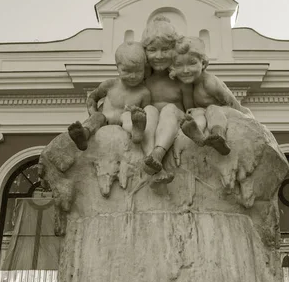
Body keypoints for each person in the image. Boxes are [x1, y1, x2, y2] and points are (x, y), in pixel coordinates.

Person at [169, 36, 253, 155]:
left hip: (230, 114)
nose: (185, 70)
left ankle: (219, 136)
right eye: (179, 65)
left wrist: (246, 120)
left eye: (192, 63)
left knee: (212, 109)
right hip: (207, 116)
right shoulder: (187, 86)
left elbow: (232, 104)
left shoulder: (210, 83)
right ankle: (197, 134)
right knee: (196, 112)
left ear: (203, 64)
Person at [68, 41, 154, 151]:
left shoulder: (144, 93)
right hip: (105, 122)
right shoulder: (110, 85)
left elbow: (145, 114)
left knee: (127, 116)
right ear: (117, 67)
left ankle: (136, 132)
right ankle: (84, 133)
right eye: (127, 71)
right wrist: (93, 113)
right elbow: (92, 98)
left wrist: (135, 113)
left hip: (125, 125)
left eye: (138, 71)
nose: (133, 76)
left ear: (144, 68)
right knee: (97, 117)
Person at [140, 16, 193, 177]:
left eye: (165, 49)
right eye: (152, 50)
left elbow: (191, 109)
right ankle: (151, 157)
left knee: (170, 109)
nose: (159, 55)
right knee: (148, 109)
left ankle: (158, 153)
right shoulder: (143, 81)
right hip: (151, 127)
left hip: (176, 121)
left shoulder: (182, 81)